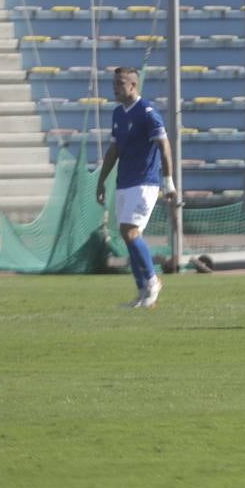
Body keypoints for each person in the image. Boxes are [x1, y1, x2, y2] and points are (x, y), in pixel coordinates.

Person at [96, 67, 176, 308]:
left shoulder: (148, 112)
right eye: (114, 83)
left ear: (133, 85)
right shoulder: (118, 114)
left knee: (130, 231)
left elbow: (164, 147)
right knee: (126, 234)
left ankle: (153, 280)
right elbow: (114, 151)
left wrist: (168, 181)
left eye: (119, 83)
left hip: (145, 182)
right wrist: (101, 180)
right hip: (124, 182)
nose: (115, 87)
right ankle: (142, 291)